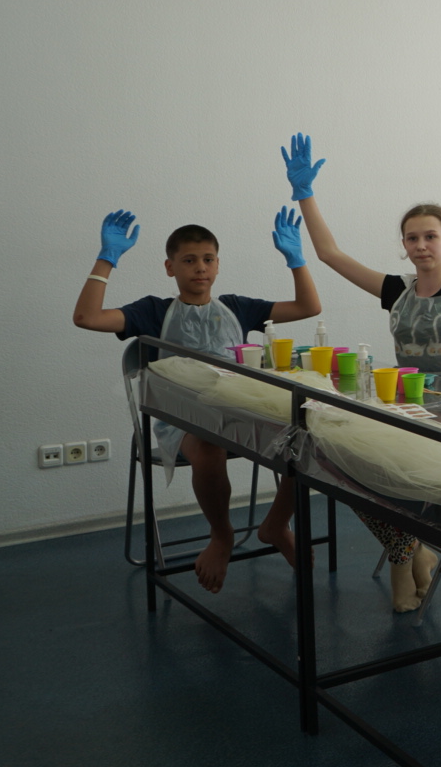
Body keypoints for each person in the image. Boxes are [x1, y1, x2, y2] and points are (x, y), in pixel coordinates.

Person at [284, 131, 441, 610]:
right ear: (403, 244)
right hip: (405, 407)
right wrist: (305, 195)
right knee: (343, 462)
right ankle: (406, 552)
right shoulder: (394, 290)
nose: (421, 246)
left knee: (406, 482)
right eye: (412, 238)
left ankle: (408, 555)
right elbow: (330, 255)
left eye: (431, 237)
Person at [73, 210, 320, 593]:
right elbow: (87, 317)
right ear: (170, 267)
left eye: (207, 260)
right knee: (207, 443)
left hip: (239, 408)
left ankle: (275, 524)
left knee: (302, 435)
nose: (199, 268)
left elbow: (308, 307)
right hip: (182, 418)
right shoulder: (152, 312)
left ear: (218, 265)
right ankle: (222, 535)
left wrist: (296, 260)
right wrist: (107, 259)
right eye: (188, 261)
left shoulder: (238, 307)